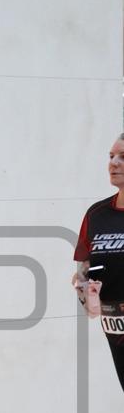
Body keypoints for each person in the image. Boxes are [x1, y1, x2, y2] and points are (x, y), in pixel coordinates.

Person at [73, 132, 124, 391]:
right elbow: (83, 271)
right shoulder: (96, 215)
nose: (113, 163)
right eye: (111, 156)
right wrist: (86, 294)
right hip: (115, 327)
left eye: (123, 157)